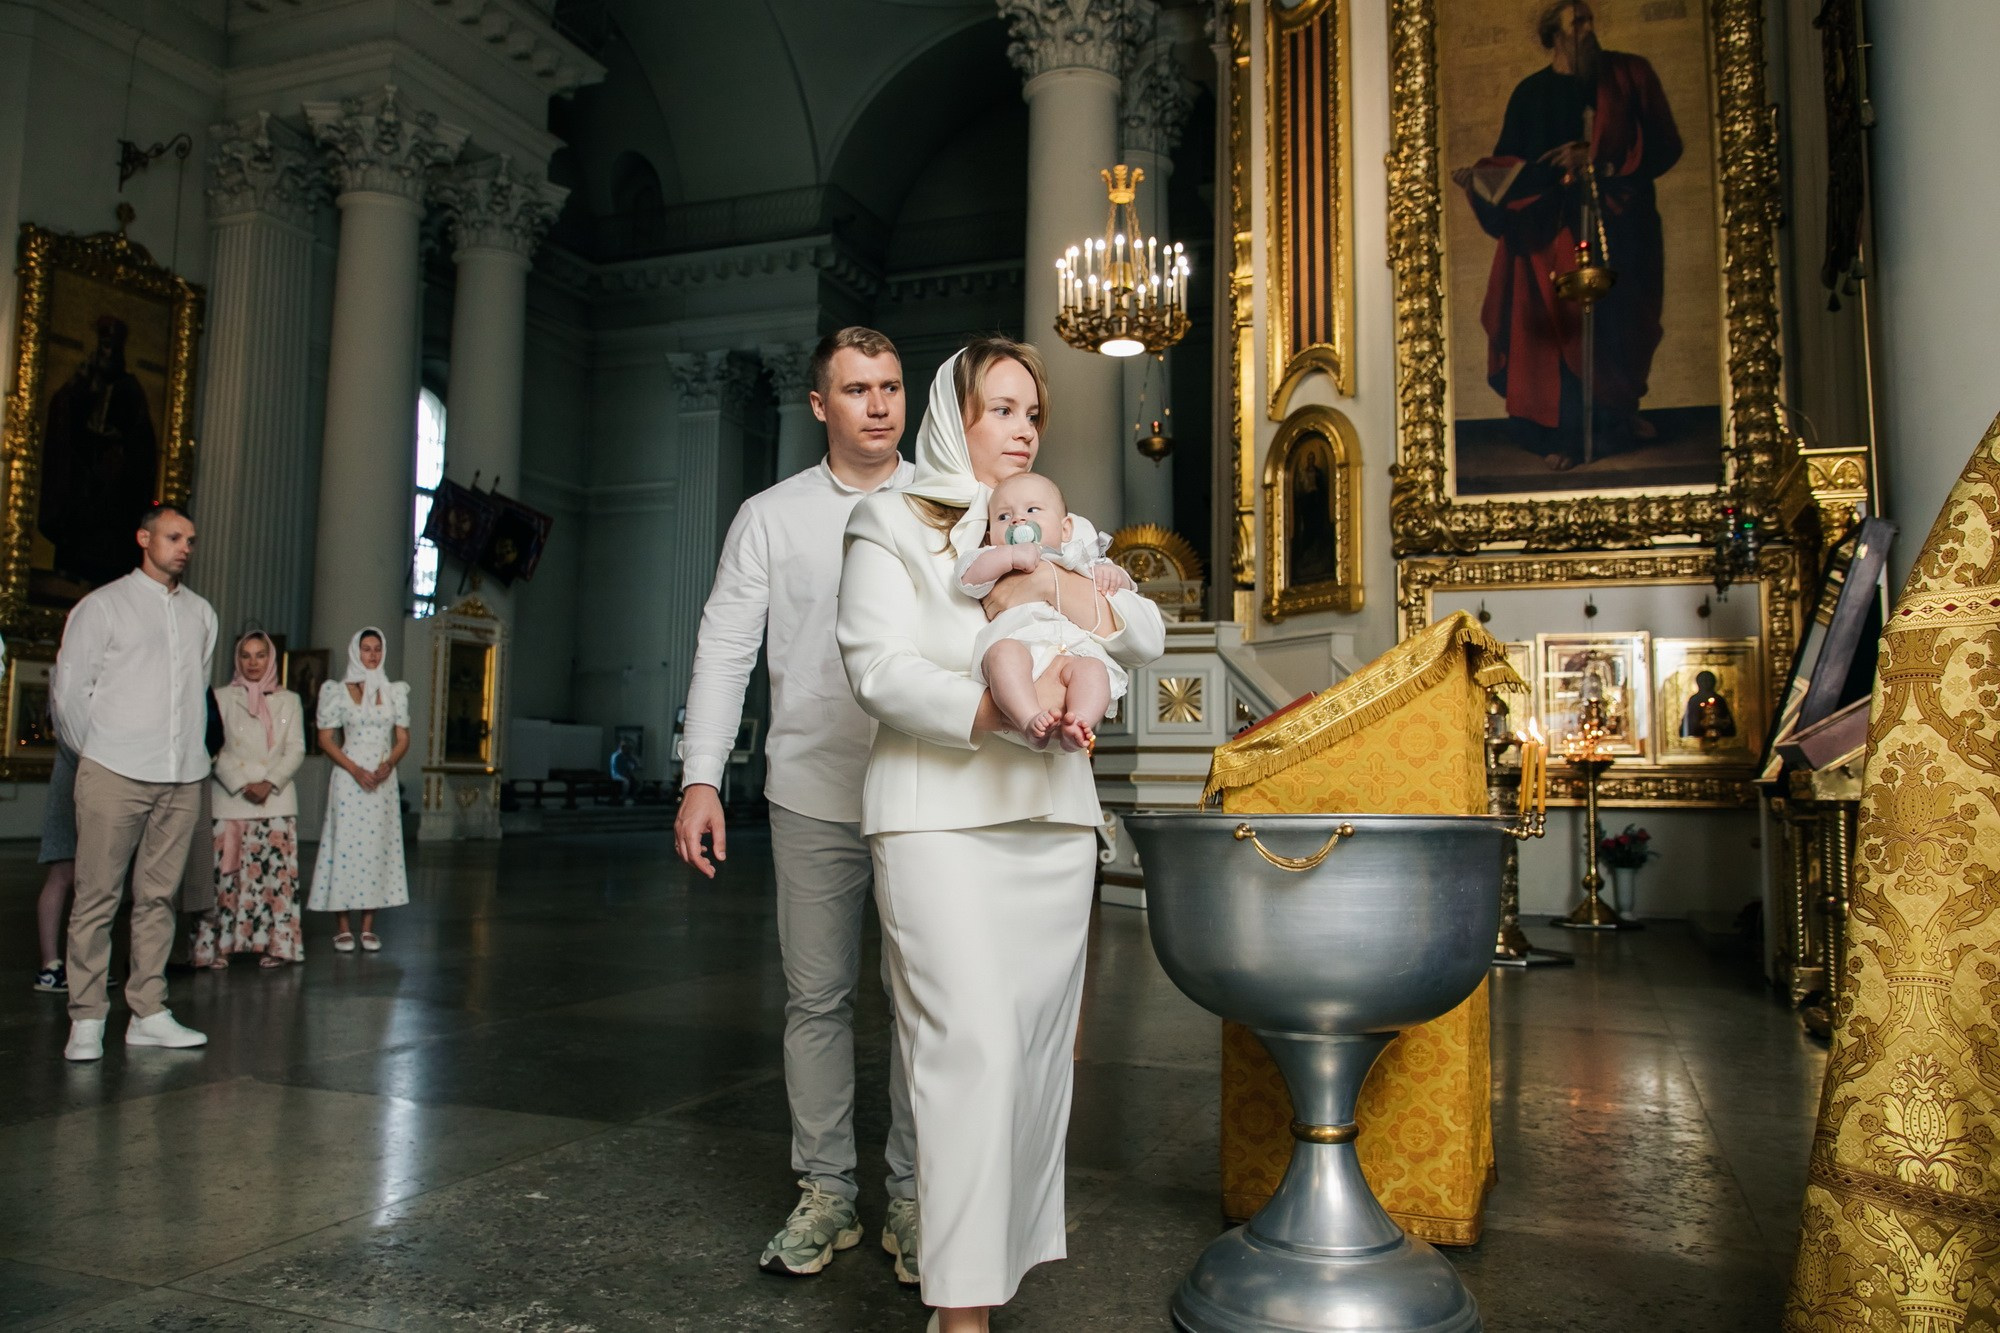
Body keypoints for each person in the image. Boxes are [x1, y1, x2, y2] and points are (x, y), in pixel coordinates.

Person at [836, 340, 1166, 1330]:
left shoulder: (1062, 528)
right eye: (1002, 410)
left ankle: (980, 1280)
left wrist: (1053, 584)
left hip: (1052, 826)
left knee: (1026, 1059)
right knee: (968, 1047)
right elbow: (874, 666)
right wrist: (990, 710)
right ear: (954, 416)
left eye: (1033, 414)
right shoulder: (889, 519)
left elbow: (1142, 632)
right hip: (935, 817)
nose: (1022, 430)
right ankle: (961, 1313)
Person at [673, 326, 924, 1285]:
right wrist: (702, 775)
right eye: (858, 389)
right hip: (812, 789)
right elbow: (725, 645)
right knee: (817, 999)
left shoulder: (946, 501)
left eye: (892, 387)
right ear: (819, 404)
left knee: (921, 1003)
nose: (879, 405)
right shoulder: (769, 516)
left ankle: (912, 1190)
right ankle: (827, 1189)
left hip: (923, 789)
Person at [1450, 0, 1681, 469]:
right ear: (1554, 35)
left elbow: (1664, 144)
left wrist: (1598, 160)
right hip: (1547, 232)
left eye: (1590, 19)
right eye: (1578, 23)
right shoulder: (1529, 94)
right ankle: (1564, 439)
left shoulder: (1629, 75)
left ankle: (1616, 418)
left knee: (1617, 330)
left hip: (1618, 223)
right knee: (1559, 333)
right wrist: (1481, 181)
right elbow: (1510, 165)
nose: (1590, 30)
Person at [50, 503, 216, 1062]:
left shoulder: (201, 614)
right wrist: (100, 752)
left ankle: (148, 1011)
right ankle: (88, 1017)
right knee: (96, 895)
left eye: (190, 539)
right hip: (113, 770)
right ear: (144, 538)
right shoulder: (103, 606)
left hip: (182, 775)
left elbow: (196, 691)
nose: (184, 547)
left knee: (160, 898)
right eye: (173, 537)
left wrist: (182, 754)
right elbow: (71, 693)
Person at [952, 471, 1133, 751]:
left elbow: (1127, 590)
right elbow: (966, 578)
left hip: (1070, 651)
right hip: (1020, 649)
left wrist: (1113, 573)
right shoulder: (993, 557)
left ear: (1065, 529)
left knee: (1093, 669)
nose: (1018, 520)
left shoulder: (1077, 557)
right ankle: (1028, 720)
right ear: (989, 537)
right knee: (1003, 655)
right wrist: (1008, 556)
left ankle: (1079, 722)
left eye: (1032, 510)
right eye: (1003, 517)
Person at [195, 631, 306, 968]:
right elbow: (213, 746)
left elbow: (297, 747)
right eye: (247, 656)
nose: (254, 663)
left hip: (275, 800)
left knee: (275, 879)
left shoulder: (290, 700)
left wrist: (268, 782)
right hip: (231, 799)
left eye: (260, 655)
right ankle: (220, 946)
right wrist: (243, 782)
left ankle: (277, 945)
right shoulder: (220, 696)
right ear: (237, 659)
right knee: (225, 879)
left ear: (271, 659)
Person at [305, 628, 410, 952]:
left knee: (376, 848)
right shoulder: (337, 691)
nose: (373, 655)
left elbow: (403, 738)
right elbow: (325, 739)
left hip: (381, 780)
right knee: (345, 846)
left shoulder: (394, 691)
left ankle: (367, 926)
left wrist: (389, 763)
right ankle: (342, 926)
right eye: (366, 649)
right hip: (349, 778)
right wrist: (354, 769)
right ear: (356, 652)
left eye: (377, 649)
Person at [31, 737, 78, 993]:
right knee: (61, 873)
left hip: (88, 776)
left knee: (90, 878)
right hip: (71, 779)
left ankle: (80, 965)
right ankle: (50, 965)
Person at [610, 738, 642, 804]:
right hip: (617, 774)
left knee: (636, 781)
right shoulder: (616, 756)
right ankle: (624, 797)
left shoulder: (626, 755)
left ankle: (633, 797)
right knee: (626, 782)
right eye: (624, 747)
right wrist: (626, 773)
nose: (626, 749)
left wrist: (634, 763)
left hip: (626, 773)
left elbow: (634, 763)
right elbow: (618, 768)